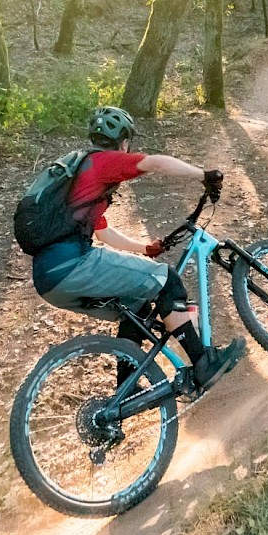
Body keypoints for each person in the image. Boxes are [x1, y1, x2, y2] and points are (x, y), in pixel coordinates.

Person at [27, 106, 245, 393]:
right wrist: (202, 174)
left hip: (49, 280)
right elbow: (155, 163)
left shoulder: (79, 176)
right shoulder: (102, 162)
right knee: (167, 280)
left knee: (138, 305)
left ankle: (126, 387)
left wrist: (143, 248)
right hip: (73, 264)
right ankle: (204, 363)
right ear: (124, 142)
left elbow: (103, 232)